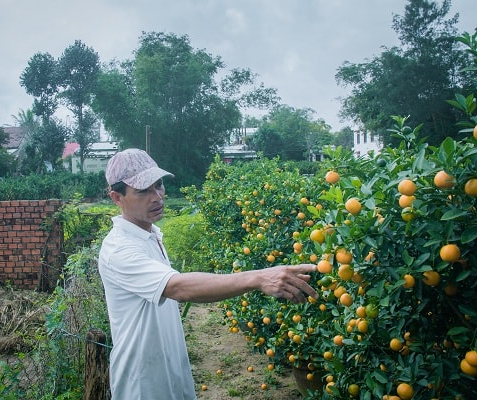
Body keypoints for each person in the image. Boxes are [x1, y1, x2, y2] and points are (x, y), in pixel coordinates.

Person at [98, 148, 318, 400]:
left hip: (169, 371)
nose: (157, 196)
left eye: (158, 186)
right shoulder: (120, 249)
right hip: (142, 384)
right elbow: (177, 287)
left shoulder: (150, 234)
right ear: (116, 197)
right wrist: (257, 278)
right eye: (143, 191)